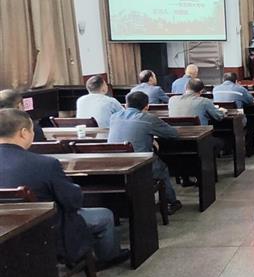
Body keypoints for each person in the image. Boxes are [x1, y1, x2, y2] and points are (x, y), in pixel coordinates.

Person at [0, 108, 129, 267]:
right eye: (33, 130)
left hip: (5, 230)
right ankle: (107, 258)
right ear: (24, 133)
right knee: (105, 215)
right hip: (48, 228)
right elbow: (72, 202)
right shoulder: (45, 164)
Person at [108, 91, 182, 214]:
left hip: (115, 163)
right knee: (162, 169)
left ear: (126, 105)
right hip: (140, 164)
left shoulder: (114, 117)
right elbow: (173, 134)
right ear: (147, 106)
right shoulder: (149, 118)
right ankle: (171, 202)